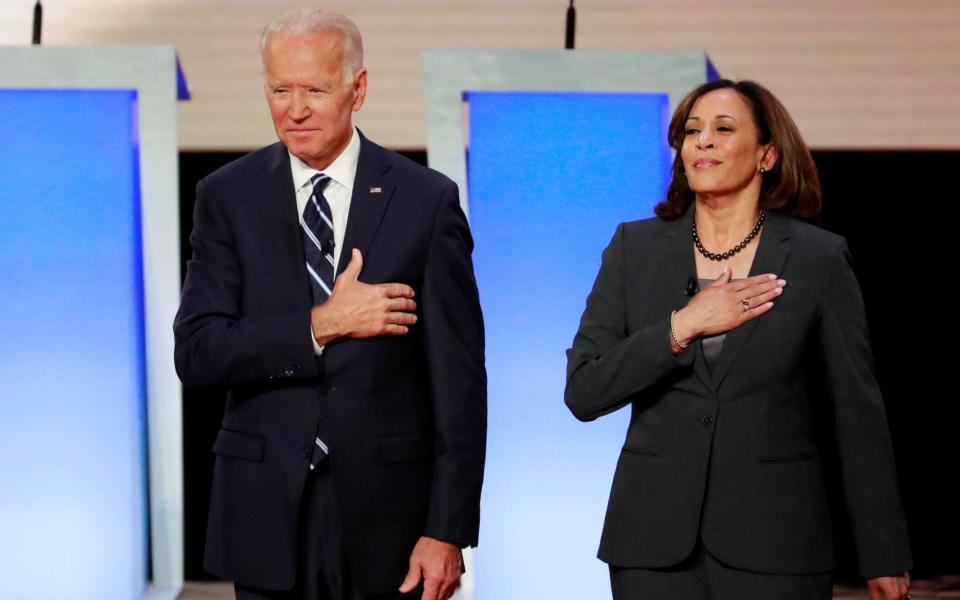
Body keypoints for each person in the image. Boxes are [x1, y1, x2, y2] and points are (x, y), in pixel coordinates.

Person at [173, 9, 486, 600]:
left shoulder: (425, 202)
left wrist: (447, 529)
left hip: (391, 519)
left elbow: (460, 381)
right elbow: (199, 352)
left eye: (315, 89)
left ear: (357, 89)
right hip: (266, 509)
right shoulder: (226, 197)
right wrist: (322, 324)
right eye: (280, 89)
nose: (296, 109)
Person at [564, 79, 911, 600]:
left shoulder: (817, 259)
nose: (702, 141)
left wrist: (883, 552)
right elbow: (585, 390)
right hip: (652, 547)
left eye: (723, 129)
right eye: (691, 131)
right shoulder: (634, 249)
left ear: (767, 154)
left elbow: (857, 414)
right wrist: (682, 326)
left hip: (776, 544)